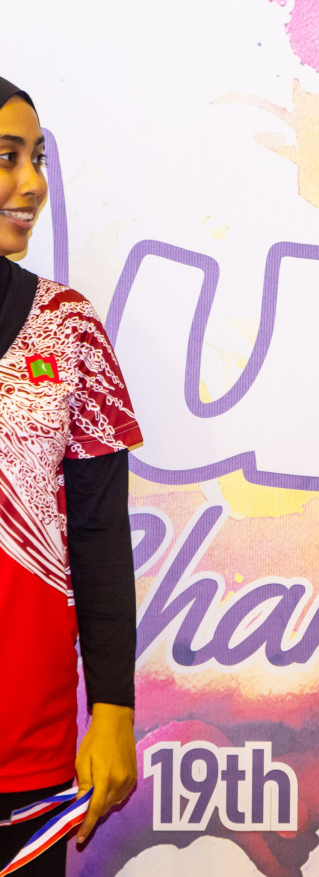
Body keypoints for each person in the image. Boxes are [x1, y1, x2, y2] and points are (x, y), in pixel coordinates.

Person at [0, 77, 142, 874]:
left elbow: (97, 531)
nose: (32, 184)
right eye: (6, 157)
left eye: (37, 158)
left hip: (28, 748)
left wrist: (113, 708)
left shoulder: (70, 328)